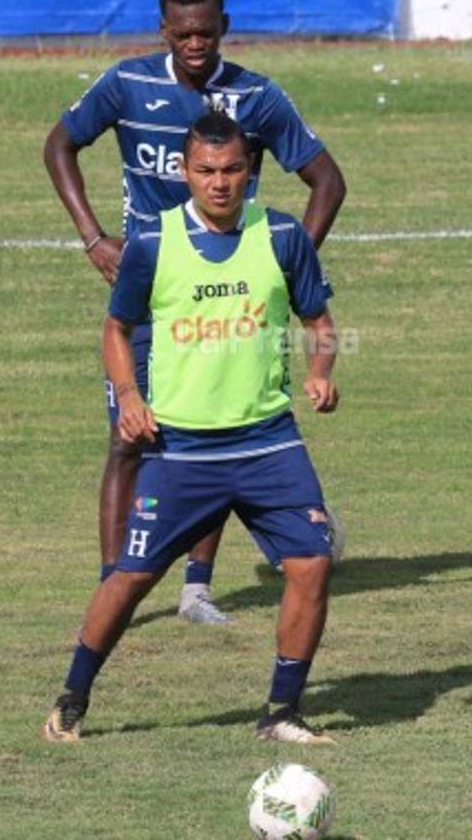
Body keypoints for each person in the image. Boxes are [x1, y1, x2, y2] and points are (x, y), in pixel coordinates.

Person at [44, 0, 345, 624]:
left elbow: (328, 182)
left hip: (226, 300)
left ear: (224, 29)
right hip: (149, 297)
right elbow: (60, 144)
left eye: (207, 33)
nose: (196, 45)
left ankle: (195, 590)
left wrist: (287, 268)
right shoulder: (127, 84)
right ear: (164, 31)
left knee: (219, 431)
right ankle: (112, 588)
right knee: (128, 440)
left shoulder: (256, 98)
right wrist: (93, 237)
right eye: (183, 34)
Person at [42, 112, 340, 745]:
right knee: (131, 577)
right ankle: (73, 697)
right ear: (184, 172)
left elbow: (320, 319)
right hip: (181, 448)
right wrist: (127, 394)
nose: (220, 182)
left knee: (312, 564)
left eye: (233, 169)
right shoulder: (154, 244)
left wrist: (320, 371)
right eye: (206, 170)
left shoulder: (283, 235)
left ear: (250, 171)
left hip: (269, 442)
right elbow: (116, 330)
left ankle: (282, 711)